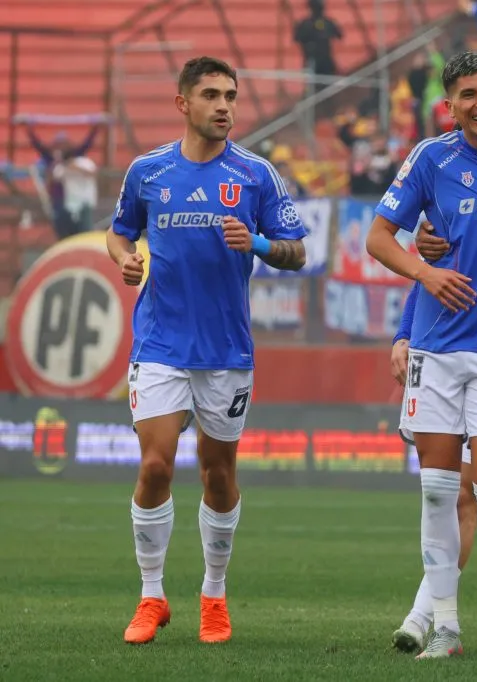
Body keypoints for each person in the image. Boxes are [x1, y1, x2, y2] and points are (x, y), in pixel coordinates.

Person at [107, 57, 307, 645]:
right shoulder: (148, 172)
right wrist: (124, 258)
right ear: (182, 104)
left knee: (219, 474)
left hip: (226, 350)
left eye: (231, 95)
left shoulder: (256, 175)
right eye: (212, 95)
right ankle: (151, 596)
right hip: (161, 343)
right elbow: (120, 231)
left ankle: (213, 596)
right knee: (155, 465)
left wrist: (263, 243)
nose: (225, 106)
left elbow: (298, 252)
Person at [365, 51, 477, 659]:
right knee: (439, 491)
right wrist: (426, 272)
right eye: (468, 95)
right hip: (437, 351)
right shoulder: (431, 158)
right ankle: (445, 625)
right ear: (450, 106)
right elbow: (378, 236)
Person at [389, 284, 477, 654]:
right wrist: (404, 334)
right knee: (453, 495)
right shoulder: (434, 229)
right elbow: (425, 276)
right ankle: (434, 622)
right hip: (441, 355)